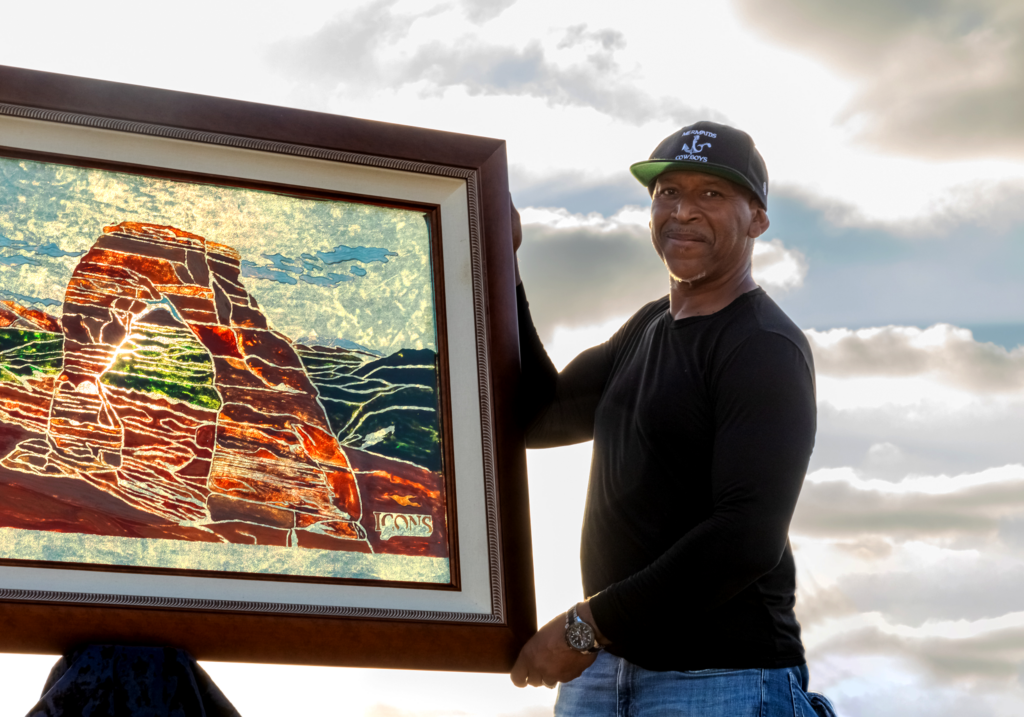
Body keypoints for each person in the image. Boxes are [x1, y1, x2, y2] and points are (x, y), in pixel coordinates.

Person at [508, 121, 837, 716]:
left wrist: (585, 625)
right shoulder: (645, 328)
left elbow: (744, 537)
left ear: (757, 218)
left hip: (722, 681)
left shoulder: (763, 347)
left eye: (711, 195)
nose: (683, 211)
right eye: (668, 193)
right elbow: (538, 419)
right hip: (604, 674)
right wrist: (500, 266)